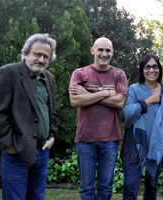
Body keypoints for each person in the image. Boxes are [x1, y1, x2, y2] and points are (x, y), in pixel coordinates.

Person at [0, 33, 58, 199]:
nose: (41, 59)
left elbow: (51, 111)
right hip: (16, 154)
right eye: (37, 54)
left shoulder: (49, 78)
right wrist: (9, 145)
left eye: (46, 56)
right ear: (26, 53)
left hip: (42, 152)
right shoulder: (8, 73)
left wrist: (53, 135)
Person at [69, 37, 128, 200]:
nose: (104, 53)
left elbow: (120, 102)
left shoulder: (119, 74)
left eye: (108, 50)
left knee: (105, 187)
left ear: (112, 52)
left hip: (110, 139)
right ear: (92, 50)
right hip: (85, 139)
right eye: (100, 49)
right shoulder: (79, 73)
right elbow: (75, 101)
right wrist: (106, 93)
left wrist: (87, 94)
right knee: (87, 188)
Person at [120, 54, 163, 200]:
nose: (151, 70)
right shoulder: (134, 89)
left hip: (157, 145)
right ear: (142, 70)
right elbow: (128, 114)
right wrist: (148, 101)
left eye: (155, 66)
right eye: (147, 67)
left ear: (159, 69)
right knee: (130, 186)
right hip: (136, 143)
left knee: (152, 187)